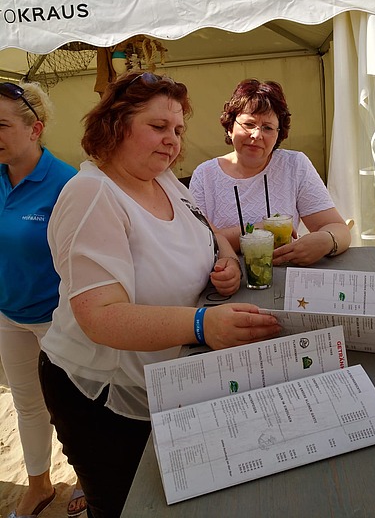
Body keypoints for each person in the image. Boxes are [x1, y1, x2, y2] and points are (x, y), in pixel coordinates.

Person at [37, 71, 281, 518]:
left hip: (162, 377)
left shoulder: (162, 178)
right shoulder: (92, 194)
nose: (172, 140)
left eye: (178, 129)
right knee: (123, 505)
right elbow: (101, 317)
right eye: (158, 126)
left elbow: (208, 230)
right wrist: (202, 324)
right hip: (100, 394)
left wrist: (226, 260)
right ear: (115, 125)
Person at [0, 82, 86, 518]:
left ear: (35, 129)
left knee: (74, 405)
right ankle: (39, 485)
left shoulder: (66, 183)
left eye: (1, 125)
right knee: (27, 403)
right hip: (8, 315)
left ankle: (87, 477)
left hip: (59, 318)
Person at [189, 78, 351, 266]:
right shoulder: (205, 175)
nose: (257, 135)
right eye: (249, 124)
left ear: (278, 134)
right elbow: (199, 243)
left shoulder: (294, 165)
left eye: (267, 128)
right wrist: (259, 230)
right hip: (228, 278)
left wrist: (327, 240)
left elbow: (339, 229)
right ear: (230, 127)